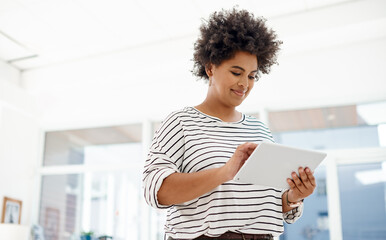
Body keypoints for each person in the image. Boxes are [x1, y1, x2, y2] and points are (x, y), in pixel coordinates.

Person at [143, 8, 316, 240]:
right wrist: (225, 172)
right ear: (210, 68)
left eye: (252, 76)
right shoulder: (180, 123)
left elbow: (273, 205)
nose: (244, 83)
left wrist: (293, 196)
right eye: (237, 72)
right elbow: (156, 192)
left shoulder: (260, 130)